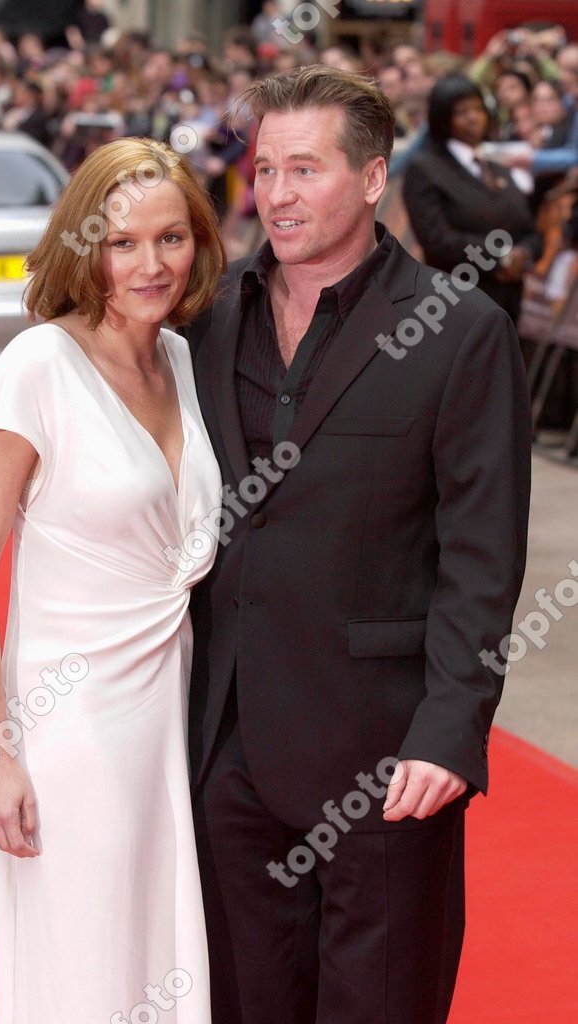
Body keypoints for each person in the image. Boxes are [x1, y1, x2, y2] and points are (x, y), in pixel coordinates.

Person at [183, 66, 531, 1024]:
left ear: (374, 179)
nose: (279, 195)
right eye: (265, 169)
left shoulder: (461, 332)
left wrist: (450, 731)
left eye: (307, 169)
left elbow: (482, 557)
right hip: (227, 751)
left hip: (386, 762)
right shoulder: (210, 323)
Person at [0, 137, 226, 1023]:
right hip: (72, 723)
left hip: (172, 712)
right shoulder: (40, 366)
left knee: (160, 945)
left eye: (172, 238)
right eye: (123, 242)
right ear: (85, 247)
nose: (152, 265)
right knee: (87, 956)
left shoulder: (180, 360)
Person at [402, 74, 541, 323]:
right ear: (442, 118)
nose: (473, 117)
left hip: (507, 303)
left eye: (478, 108)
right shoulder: (425, 169)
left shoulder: (496, 166)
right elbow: (437, 240)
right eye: (461, 111)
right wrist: (501, 258)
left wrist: (525, 253)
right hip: (454, 303)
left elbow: (528, 229)